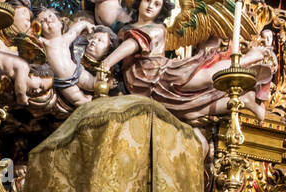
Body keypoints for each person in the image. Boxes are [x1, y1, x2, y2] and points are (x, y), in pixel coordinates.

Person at [98, 0, 273, 121]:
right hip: (142, 84)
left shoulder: (157, 29)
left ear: (162, 9)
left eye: (157, 4)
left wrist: (105, 64)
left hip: (160, 74)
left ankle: (249, 58)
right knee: (190, 112)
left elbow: (132, 44)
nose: (151, 6)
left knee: (203, 77)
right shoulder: (126, 27)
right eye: (147, 1)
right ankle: (246, 100)